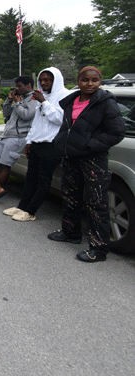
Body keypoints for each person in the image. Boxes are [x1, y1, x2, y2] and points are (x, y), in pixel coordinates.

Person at [47, 66, 125, 263]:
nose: (90, 84)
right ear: (78, 81)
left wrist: (89, 145)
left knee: (96, 203)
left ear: (100, 81)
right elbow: (68, 127)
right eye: (85, 80)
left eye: (94, 80)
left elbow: (117, 133)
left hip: (93, 159)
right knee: (70, 197)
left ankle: (98, 249)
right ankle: (71, 233)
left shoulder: (105, 103)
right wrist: (61, 142)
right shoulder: (72, 101)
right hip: (71, 156)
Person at [4, 67, 71, 221]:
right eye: (41, 79)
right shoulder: (42, 96)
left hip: (51, 144)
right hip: (36, 143)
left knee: (43, 179)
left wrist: (44, 102)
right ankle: (22, 206)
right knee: (31, 177)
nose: (43, 82)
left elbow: (60, 119)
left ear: (56, 80)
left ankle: (31, 211)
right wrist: (29, 142)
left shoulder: (65, 95)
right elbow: (37, 122)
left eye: (48, 79)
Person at [0, 75, 39, 203]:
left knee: (5, 165)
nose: (17, 89)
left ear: (28, 86)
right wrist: (9, 100)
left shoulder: (34, 99)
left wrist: (18, 103)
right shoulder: (19, 99)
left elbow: (27, 115)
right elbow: (7, 114)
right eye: (16, 86)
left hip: (18, 137)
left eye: (19, 86)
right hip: (6, 135)